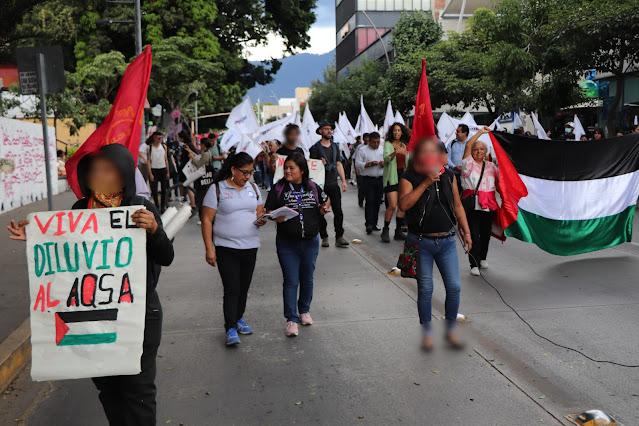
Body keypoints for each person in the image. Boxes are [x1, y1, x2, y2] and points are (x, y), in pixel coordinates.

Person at [8, 143, 174, 425]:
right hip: (92, 319)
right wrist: (37, 235)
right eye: (94, 170)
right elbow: (63, 244)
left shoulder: (139, 208)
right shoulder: (79, 210)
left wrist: (155, 230)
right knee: (109, 389)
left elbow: (166, 257)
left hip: (139, 318)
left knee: (138, 391)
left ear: (123, 174)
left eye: (108, 170)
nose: (100, 176)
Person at [399, 137, 471, 351]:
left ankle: (450, 331)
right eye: (427, 152)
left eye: (437, 152)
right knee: (426, 289)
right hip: (421, 243)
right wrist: (427, 182)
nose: (433, 156)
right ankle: (427, 331)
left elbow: (457, 205)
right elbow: (404, 205)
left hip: (447, 241)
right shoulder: (409, 176)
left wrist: (466, 230)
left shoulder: (449, 176)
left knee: (454, 287)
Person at [200, 152, 265, 346]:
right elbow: (206, 220)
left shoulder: (253, 188)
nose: (247, 177)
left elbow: (259, 212)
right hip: (226, 248)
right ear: (233, 170)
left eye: (250, 172)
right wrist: (209, 248)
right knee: (232, 288)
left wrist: (263, 219)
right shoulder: (217, 189)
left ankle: (238, 318)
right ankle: (230, 326)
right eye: (244, 172)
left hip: (250, 246)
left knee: (243, 288)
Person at [265, 153, 330, 337]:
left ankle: (304, 311)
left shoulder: (312, 186)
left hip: (311, 242)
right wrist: (274, 216)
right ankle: (291, 319)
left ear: (302, 170)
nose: (287, 170)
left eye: (291, 168)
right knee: (291, 280)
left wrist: (324, 208)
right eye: (286, 167)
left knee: (307, 278)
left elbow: (325, 201)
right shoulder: (278, 188)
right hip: (287, 244)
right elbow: (268, 210)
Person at [460, 128, 499, 276]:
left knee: (486, 233)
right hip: (472, 204)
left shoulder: (491, 166)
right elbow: (468, 145)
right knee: (474, 235)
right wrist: (480, 133)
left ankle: (483, 258)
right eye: (476, 149)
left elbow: (502, 180)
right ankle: (473, 263)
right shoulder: (467, 164)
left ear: (486, 152)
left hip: (488, 204)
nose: (478, 152)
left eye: (482, 149)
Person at [309, 121, 349, 248]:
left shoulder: (335, 146)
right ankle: (324, 236)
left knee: (338, 211)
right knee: (321, 211)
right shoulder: (315, 148)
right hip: (320, 185)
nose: (328, 131)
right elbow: (312, 167)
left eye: (330, 129)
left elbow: (338, 164)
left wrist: (343, 181)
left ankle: (339, 236)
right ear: (320, 131)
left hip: (333, 183)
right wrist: (319, 163)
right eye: (326, 129)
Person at [382, 123, 409, 242]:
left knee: (402, 206)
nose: (396, 132)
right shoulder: (388, 144)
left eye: (398, 130)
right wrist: (395, 152)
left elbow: (408, 162)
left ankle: (398, 231)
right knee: (392, 205)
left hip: (403, 177)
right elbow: (386, 158)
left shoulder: (404, 145)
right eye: (394, 130)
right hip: (391, 178)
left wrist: (405, 154)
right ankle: (385, 229)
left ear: (402, 132)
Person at [354, 131, 384, 234]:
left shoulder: (382, 149)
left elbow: (387, 162)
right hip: (368, 179)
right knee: (370, 201)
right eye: (374, 142)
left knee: (377, 202)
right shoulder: (362, 150)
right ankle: (369, 224)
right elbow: (357, 164)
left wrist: (383, 163)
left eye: (378, 142)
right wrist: (368, 164)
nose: (376, 144)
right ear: (369, 141)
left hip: (380, 178)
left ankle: (374, 223)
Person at [186, 136, 224, 215]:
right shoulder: (207, 152)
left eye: (201, 144)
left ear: (204, 145)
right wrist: (189, 150)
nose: (200, 145)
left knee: (201, 197)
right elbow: (198, 157)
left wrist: (192, 157)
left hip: (203, 179)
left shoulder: (206, 154)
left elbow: (198, 164)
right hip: (206, 178)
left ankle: (203, 215)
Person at [146, 131, 170, 212]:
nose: (160, 139)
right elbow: (148, 161)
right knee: (154, 191)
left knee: (164, 190)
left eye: (161, 138)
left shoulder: (164, 146)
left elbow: (166, 160)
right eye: (158, 138)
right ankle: (156, 205)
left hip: (163, 169)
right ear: (154, 138)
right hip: (154, 170)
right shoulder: (150, 147)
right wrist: (150, 173)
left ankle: (163, 206)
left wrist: (168, 171)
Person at [447, 124, 470, 191]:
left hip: (468, 176)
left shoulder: (471, 144)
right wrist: (454, 166)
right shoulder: (451, 143)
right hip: (454, 175)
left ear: (465, 133)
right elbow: (447, 158)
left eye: (458, 131)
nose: (456, 133)